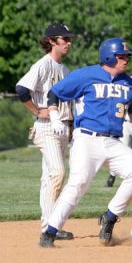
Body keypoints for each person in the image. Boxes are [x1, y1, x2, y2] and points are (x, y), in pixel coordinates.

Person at [38, 37, 132, 248]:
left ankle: (109, 217)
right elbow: (54, 93)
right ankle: (49, 232)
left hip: (113, 141)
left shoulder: (127, 82)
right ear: (108, 56)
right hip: (87, 139)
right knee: (78, 183)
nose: (126, 59)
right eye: (121, 56)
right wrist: (53, 116)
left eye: (127, 55)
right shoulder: (86, 74)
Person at [15, 23, 75, 240]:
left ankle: (47, 226)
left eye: (70, 39)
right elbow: (21, 89)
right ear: (51, 41)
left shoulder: (65, 70)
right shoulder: (43, 64)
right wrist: (37, 111)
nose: (68, 42)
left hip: (62, 128)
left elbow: (68, 102)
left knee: (49, 178)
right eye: (64, 39)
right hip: (47, 128)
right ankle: (51, 227)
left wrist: (71, 126)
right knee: (58, 173)